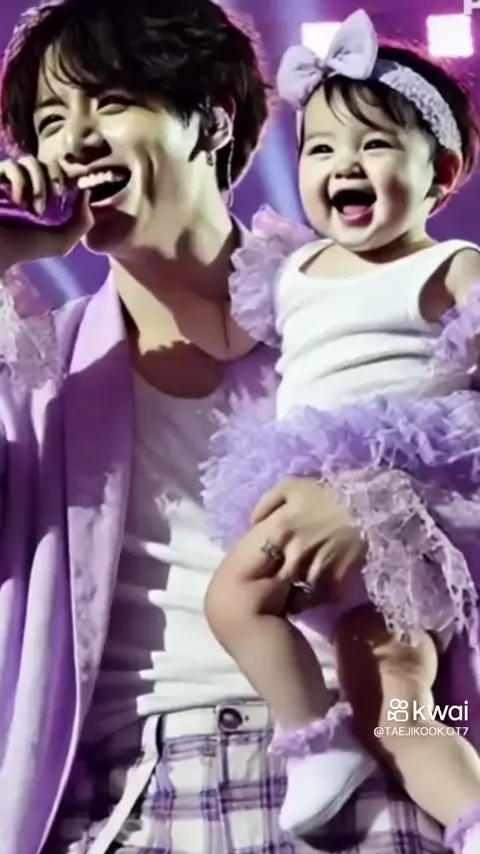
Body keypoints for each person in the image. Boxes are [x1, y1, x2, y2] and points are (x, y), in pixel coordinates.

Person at [0, 1, 468, 853]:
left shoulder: (362, 312)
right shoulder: (37, 375)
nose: (75, 140)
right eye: (50, 121)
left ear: (211, 121)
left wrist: (386, 510)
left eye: (110, 102)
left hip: (382, 773)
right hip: (140, 796)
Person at [195, 9, 480, 853]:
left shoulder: (448, 266)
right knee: (372, 677)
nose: (343, 164)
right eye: (320, 148)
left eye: (375, 145)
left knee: (253, 603)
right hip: (303, 494)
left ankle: (370, 770)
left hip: (401, 503)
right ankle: (334, 749)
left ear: (441, 173)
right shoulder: (287, 271)